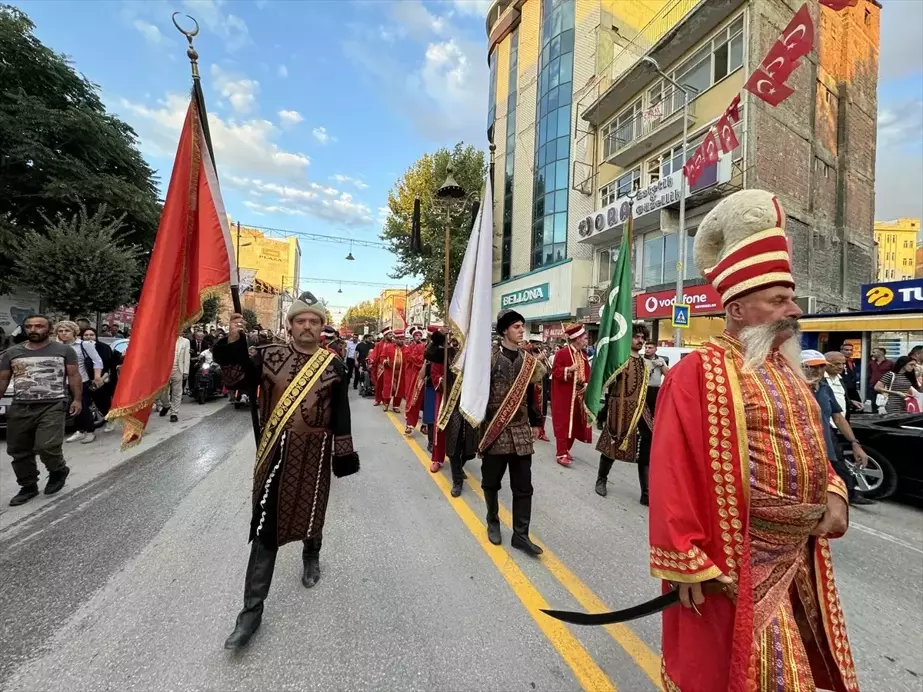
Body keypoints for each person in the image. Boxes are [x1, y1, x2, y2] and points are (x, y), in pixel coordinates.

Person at [648, 190, 857, 691]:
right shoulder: (697, 372)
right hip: (736, 561)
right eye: (779, 300)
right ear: (738, 309)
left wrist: (834, 489)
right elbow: (672, 471)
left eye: (791, 297)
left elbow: (810, 446)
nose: (795, 310)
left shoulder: (788, 370)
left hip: (797, 557)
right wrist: (686, 558)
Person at [213, 292, 359, 650]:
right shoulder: (266, 356)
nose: (307, 326)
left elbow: (341, 413)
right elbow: (233, 380)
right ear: (290, 325)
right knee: (266, 526)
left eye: (314, 321)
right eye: (300, 320)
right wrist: (233, 342)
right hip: (276, 453)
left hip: (316, 452)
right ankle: (250, 612)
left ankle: (311, 553)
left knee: (312, 510)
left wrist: (344, 453)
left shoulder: (334, 364)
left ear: (322, 326)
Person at [479, 309, 546, 555]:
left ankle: (521, 535)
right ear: (505, 329)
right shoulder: (489, 358)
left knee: (523, 486)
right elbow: (477, 393)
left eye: (522, 326)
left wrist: (538, 422)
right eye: (516, 326)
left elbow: (531, 394)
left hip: (520, 430)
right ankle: (493, 521)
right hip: (494, 428)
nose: (521, 330)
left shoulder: (529, 361)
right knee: (491, 482)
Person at [0, 315, 81, 506]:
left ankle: (58, 470)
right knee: (18, 449)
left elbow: (74, 375)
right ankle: (28, 485)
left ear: (49, 329)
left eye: (39, 326)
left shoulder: (64, 350)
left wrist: (77, 399)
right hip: (21, 405)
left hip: (53, 404)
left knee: (47, 446)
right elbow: (3, 380)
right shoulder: (11, 353)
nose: (33, 330)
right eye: (29, 326)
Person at [594, 323, 652, 503]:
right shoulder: (619, 359)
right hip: (619, 409)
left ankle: (646, 493)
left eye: (643, 338)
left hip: (640, 410)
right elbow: (607, 382)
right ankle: (601, 479)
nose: (640, 341)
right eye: (637, 337)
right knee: (612, 447)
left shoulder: (644, 363)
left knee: (645, 449)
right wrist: (606, 411)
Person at [810, 351, 874, 506]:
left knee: (837, 466)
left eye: (821, 366)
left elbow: (837, 416)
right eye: (812, 367)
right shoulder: (794, 388)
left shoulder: (825, 387)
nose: (818, 371)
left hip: (828, 435)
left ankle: (847, 495)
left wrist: (854, 443)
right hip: (805, 443)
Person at [427, 328, 478, 496]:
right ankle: (457, 480)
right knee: (454, 442)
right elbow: (430, 354)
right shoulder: (446, 353)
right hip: (451, 403)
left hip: (470, 404)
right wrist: (440, 336)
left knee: (470, 445)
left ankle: (460, 466)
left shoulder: (474, 355)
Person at [550, 324, 593, 466]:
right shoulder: (562, 353)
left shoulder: (583, 355)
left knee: (574, 424)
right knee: (563, 424)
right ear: (577, 339)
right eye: (585, 338)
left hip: (579, 397)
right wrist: (568, 369)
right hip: (565, 395)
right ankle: (560, 453)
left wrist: (586, 384)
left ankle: (566, 449)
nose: (587, 340)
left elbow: (587, 374)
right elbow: (555, 372)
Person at [56, 320, 103, 444]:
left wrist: (97, 376)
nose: (63, 334)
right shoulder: (57, 346)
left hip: (82, 381)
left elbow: (97, 360)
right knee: (71, 407)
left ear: (74, 332)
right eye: (60, 331)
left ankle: (90, 431)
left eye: (67, 331)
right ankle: (80, 431)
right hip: (63, 382)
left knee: (83, 406)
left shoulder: (84, 345)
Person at [81, 327, 117, 433]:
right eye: (86, 335)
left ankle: (109, 419)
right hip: (84, 379)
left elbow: (109, 364)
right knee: (85, 404)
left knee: (102, 402)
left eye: (91, 335)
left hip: (101, 379)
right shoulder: (80, 347)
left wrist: (101, 377)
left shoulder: (103, 347)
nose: (89, 337)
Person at [158, 333, 190, 423]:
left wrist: (185, 371)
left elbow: (187, 357)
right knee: (161, 392)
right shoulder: (163, 339)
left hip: (178, 370)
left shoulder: (185, 341)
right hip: (164, 370)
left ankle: (174, 413)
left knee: (177, 392)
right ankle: (166, 405)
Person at [402, 328, 427, 435]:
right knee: (413, 400)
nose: (418, 337)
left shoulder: (424, 347)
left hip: (425, 377)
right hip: (413, 378)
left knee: (427, 402)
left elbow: (423, 359)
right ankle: (409, 425)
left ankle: (425, 425)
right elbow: (410, 358)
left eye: (419, 335)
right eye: (416, 335)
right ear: (413, 337)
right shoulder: (408, 348)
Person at [642, 342, 669, 415]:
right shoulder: (641, 359)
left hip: (656, 389)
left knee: (654, 411)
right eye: (646, 347)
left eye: (650, 348)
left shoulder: (661, 360)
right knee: (643, 412)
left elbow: (667, 374)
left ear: (655, 349)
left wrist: (661, 365)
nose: (647, 350)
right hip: (644, 388)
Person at [838, 342, 862, 408]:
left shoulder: (853, 361)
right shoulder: (838, 361)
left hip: (851, 387)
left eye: (851, 350)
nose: (849, 352)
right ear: (841, 351)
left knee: (858, 405)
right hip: (843, 387)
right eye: (847, 350)